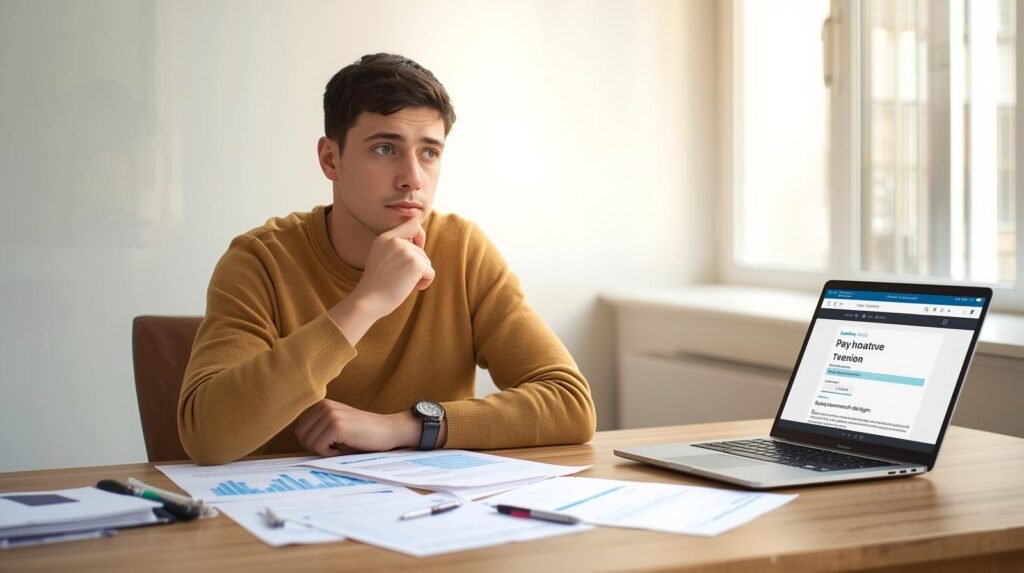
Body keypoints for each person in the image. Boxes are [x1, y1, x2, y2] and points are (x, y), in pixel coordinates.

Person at [178, 53, 596, 465]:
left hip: (428, 502)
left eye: (429, 152)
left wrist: (403, 427)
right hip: (283, 502)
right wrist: (367, 301)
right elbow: (208, 436)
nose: (412, 178)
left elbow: (570, 403)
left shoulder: (463, 250)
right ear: (330, 159)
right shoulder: (260, 261)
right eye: (384, 148)